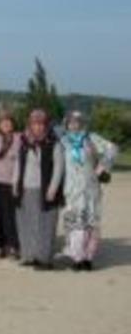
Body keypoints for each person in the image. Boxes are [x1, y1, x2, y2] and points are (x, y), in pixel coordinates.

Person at [60, 111, 116, 271]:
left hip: (91, 189)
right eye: (71, 122)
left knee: (91, 224)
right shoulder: (63, 142)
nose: (74, 125)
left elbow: (112, 148)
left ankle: (88, 258)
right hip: (71, 191)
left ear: (83, 123)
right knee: (75, 225)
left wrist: (102, 168)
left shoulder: (91, 138)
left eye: (78, 122)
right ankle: (77, 258)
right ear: (66, 124)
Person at [13, 109, 65, 270]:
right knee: (26, 223)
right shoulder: (23, 142)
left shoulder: (54, 143)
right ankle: (28, 255)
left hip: (45, 190)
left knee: (45, 224)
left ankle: (44, 259)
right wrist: (14, 183)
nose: (38, 127)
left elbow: (59, 167)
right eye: (34, 123)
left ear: (46, 125)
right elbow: (17, 165)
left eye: (41, 123)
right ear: (30, 124)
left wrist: (53, 188)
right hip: (25, 188)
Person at [0, 110, 22, 259]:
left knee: (11, 215)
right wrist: (8, 144)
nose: (6, 124)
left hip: (12, 181)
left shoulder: (19, 137)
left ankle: (14, 245)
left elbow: (19, 157)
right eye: (3, 122)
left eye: (9, 121)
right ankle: (0, 245)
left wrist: (11, 146)